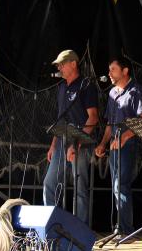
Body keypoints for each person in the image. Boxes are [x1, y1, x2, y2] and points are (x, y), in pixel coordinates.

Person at [95, 57, 142, 237]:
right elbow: (110, 123)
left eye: (113, 69)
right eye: (109, 70)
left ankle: (126, 230)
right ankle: (119, 227)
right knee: (116, 185)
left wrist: (125, 137)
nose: (109, 73)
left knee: (121, 184)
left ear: (125, 71)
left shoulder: (136, 90)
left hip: (129, 144)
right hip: (114, 144)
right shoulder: (112, 93)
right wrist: (103, 143)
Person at [43, 49, 99, 225]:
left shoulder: (86, 85)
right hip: (61, 140)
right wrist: (53, 145)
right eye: (58, 64)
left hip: (80, 140)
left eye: (62, 63)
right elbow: (60, 119)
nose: (59, 67)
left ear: (74, 63)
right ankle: (51, 225)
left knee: (79, 187)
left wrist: (77, 143)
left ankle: (80, 227)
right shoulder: (61, 87)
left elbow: (93, 117)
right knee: (49, 182)